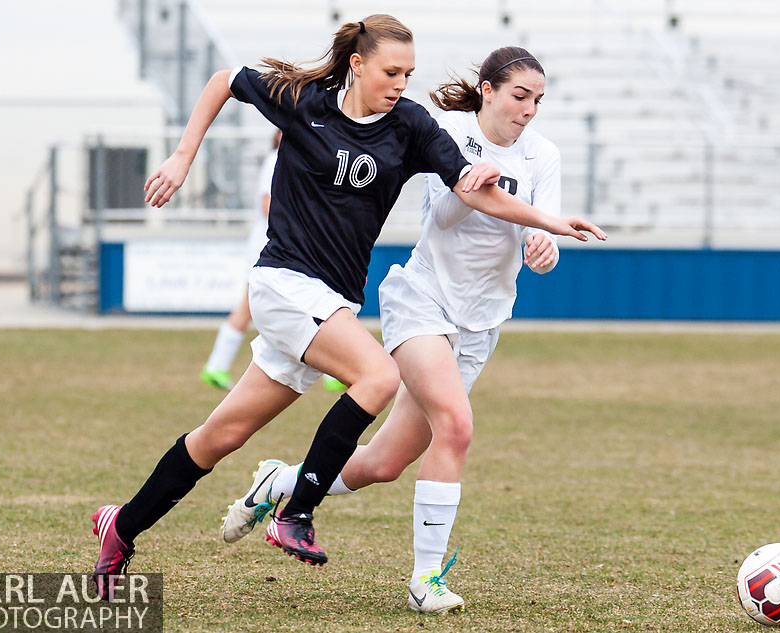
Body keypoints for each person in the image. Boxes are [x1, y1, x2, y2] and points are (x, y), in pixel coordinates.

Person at [91, 16, 593, 599]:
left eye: (408, 73)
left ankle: (120, 527)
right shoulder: (304, 100)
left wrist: (550, 223)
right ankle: (295, 513)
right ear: (357, 65)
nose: (401, 83)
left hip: (332, 301)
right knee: (377, 374)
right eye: (390, 71)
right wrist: (182, 156)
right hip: (282, 283)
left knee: (220, 434)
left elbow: (472, 190)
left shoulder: (410, 125)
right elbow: (225, 80)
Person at [222, 46, 607, 613]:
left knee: (382, 464)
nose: (528, 111)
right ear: (488, 90)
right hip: (421, 302)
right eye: (519, 97)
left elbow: (539, 239)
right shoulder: (444, 130)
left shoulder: (543, 154)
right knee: (456, 425)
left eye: (538, 101)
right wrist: (476, 180)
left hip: (482, 320)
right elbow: (446, 213)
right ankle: (426, 580)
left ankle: (281, 483)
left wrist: (543, 247)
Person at [201, 129, 281, 391]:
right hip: (267, 246)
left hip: (277, 245)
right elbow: (266, 205)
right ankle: (216, 366)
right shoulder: (276, 160)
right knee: (246, 308)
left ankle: (330, 372)